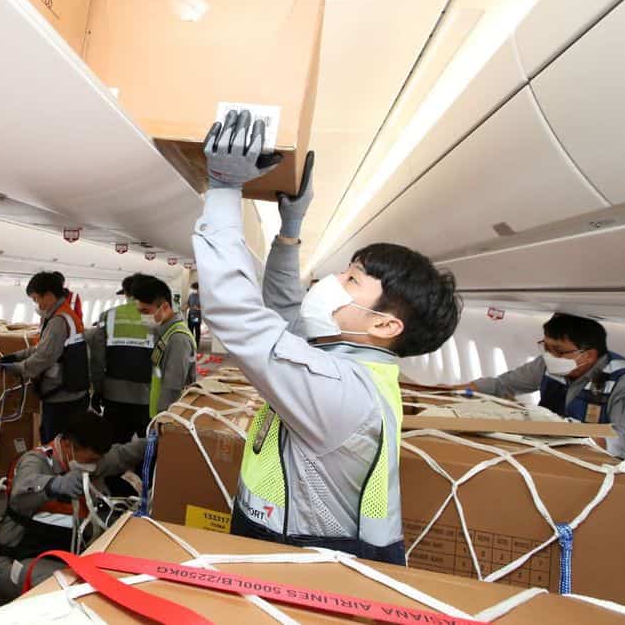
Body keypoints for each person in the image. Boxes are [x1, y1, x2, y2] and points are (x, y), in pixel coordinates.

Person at [194, 110, 461, 564]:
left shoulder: (342, 392)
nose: (334, 280)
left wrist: (222, 190)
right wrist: (289, 234)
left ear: (384, 325)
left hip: (309, 558)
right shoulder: (354, 369)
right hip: (284, 540)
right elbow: (282, 316)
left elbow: (239, 317)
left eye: (352, 280)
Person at [451, 313, 625, 486]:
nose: (550, 356)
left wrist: (559, 432)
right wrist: (460, 391)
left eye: (559, 351)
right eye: (546, 347)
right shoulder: (548, 365)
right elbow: (503, 385)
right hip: (589, 465)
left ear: (588, 355)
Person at [0, 411, 146, 596]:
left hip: (63, 551)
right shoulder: (35, 461)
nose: (94, 466)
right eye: (91, 460)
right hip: (18, 560)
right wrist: (54, 485)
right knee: (77, 589)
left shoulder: (87, 461)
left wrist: (156, 441)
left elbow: (121, 455)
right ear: (68, 445)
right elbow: (22, 489)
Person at [0, 271, 90, 442]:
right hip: (70, 392)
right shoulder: (64, 315)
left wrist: (18, 368)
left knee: (55, 445)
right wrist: (16, 356)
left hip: (62, 396)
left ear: (48, 296)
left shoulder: (58, 321)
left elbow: (45, 357)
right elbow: (43, 348)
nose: (36, 304)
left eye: (36, 299)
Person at [86, 274, 155, 444]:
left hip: (114, 395)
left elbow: (97, 360)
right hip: (147, 396)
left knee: (114, 446)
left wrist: (97, 390)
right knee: (146, 448)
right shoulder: (157, 319)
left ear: (126, 293)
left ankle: (115, 471)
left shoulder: (108, 317)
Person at [132, 276, 197, 418]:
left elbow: (172, 388)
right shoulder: (164, 331)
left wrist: (163, 420)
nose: (142, 317)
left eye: (145, 312)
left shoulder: (177, 338)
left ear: (165, 307)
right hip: (158, 409)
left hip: (168, 415)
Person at [184, 282, 203, 349]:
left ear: (197, 288)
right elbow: (188, 304)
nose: (192, 290)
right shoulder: (191, 295)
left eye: (193, 288)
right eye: (192, 289)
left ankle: (196, 345)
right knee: (190, 330)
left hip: (197, 316)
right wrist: (184, 308)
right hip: (190, 315)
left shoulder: (202, 297)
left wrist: (198, 308)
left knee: (197, 331)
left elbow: (204, 307)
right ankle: (191, 345)